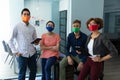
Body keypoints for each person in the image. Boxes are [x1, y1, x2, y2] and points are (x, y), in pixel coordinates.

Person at [9, 8, 37, 80]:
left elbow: (35, 39)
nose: (26, 16)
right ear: (21, 16)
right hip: (22, 54)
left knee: (33, 71)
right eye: (24, 14)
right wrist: (15, 51)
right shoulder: (17, 26)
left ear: (30, 16)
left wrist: (36, 42)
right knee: (22, 73)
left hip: (32, 53)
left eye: (28, 14)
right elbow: (10, 40)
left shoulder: (32, 27)